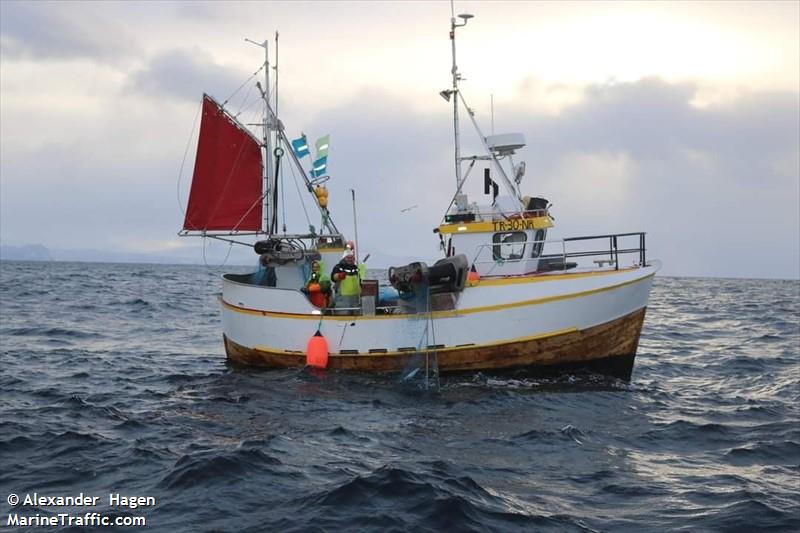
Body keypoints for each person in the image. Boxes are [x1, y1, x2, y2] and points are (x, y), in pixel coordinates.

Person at [331, 243, 365, 313]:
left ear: (354, 258)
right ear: (344, 258)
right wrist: (339, 276)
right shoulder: (339, 267)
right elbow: (333, 277)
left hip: (356, 299)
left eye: (351, 257)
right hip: (343, 300)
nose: (350, 259)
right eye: (348, 257)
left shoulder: (356, 268)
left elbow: (361, 280)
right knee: (343, 316)